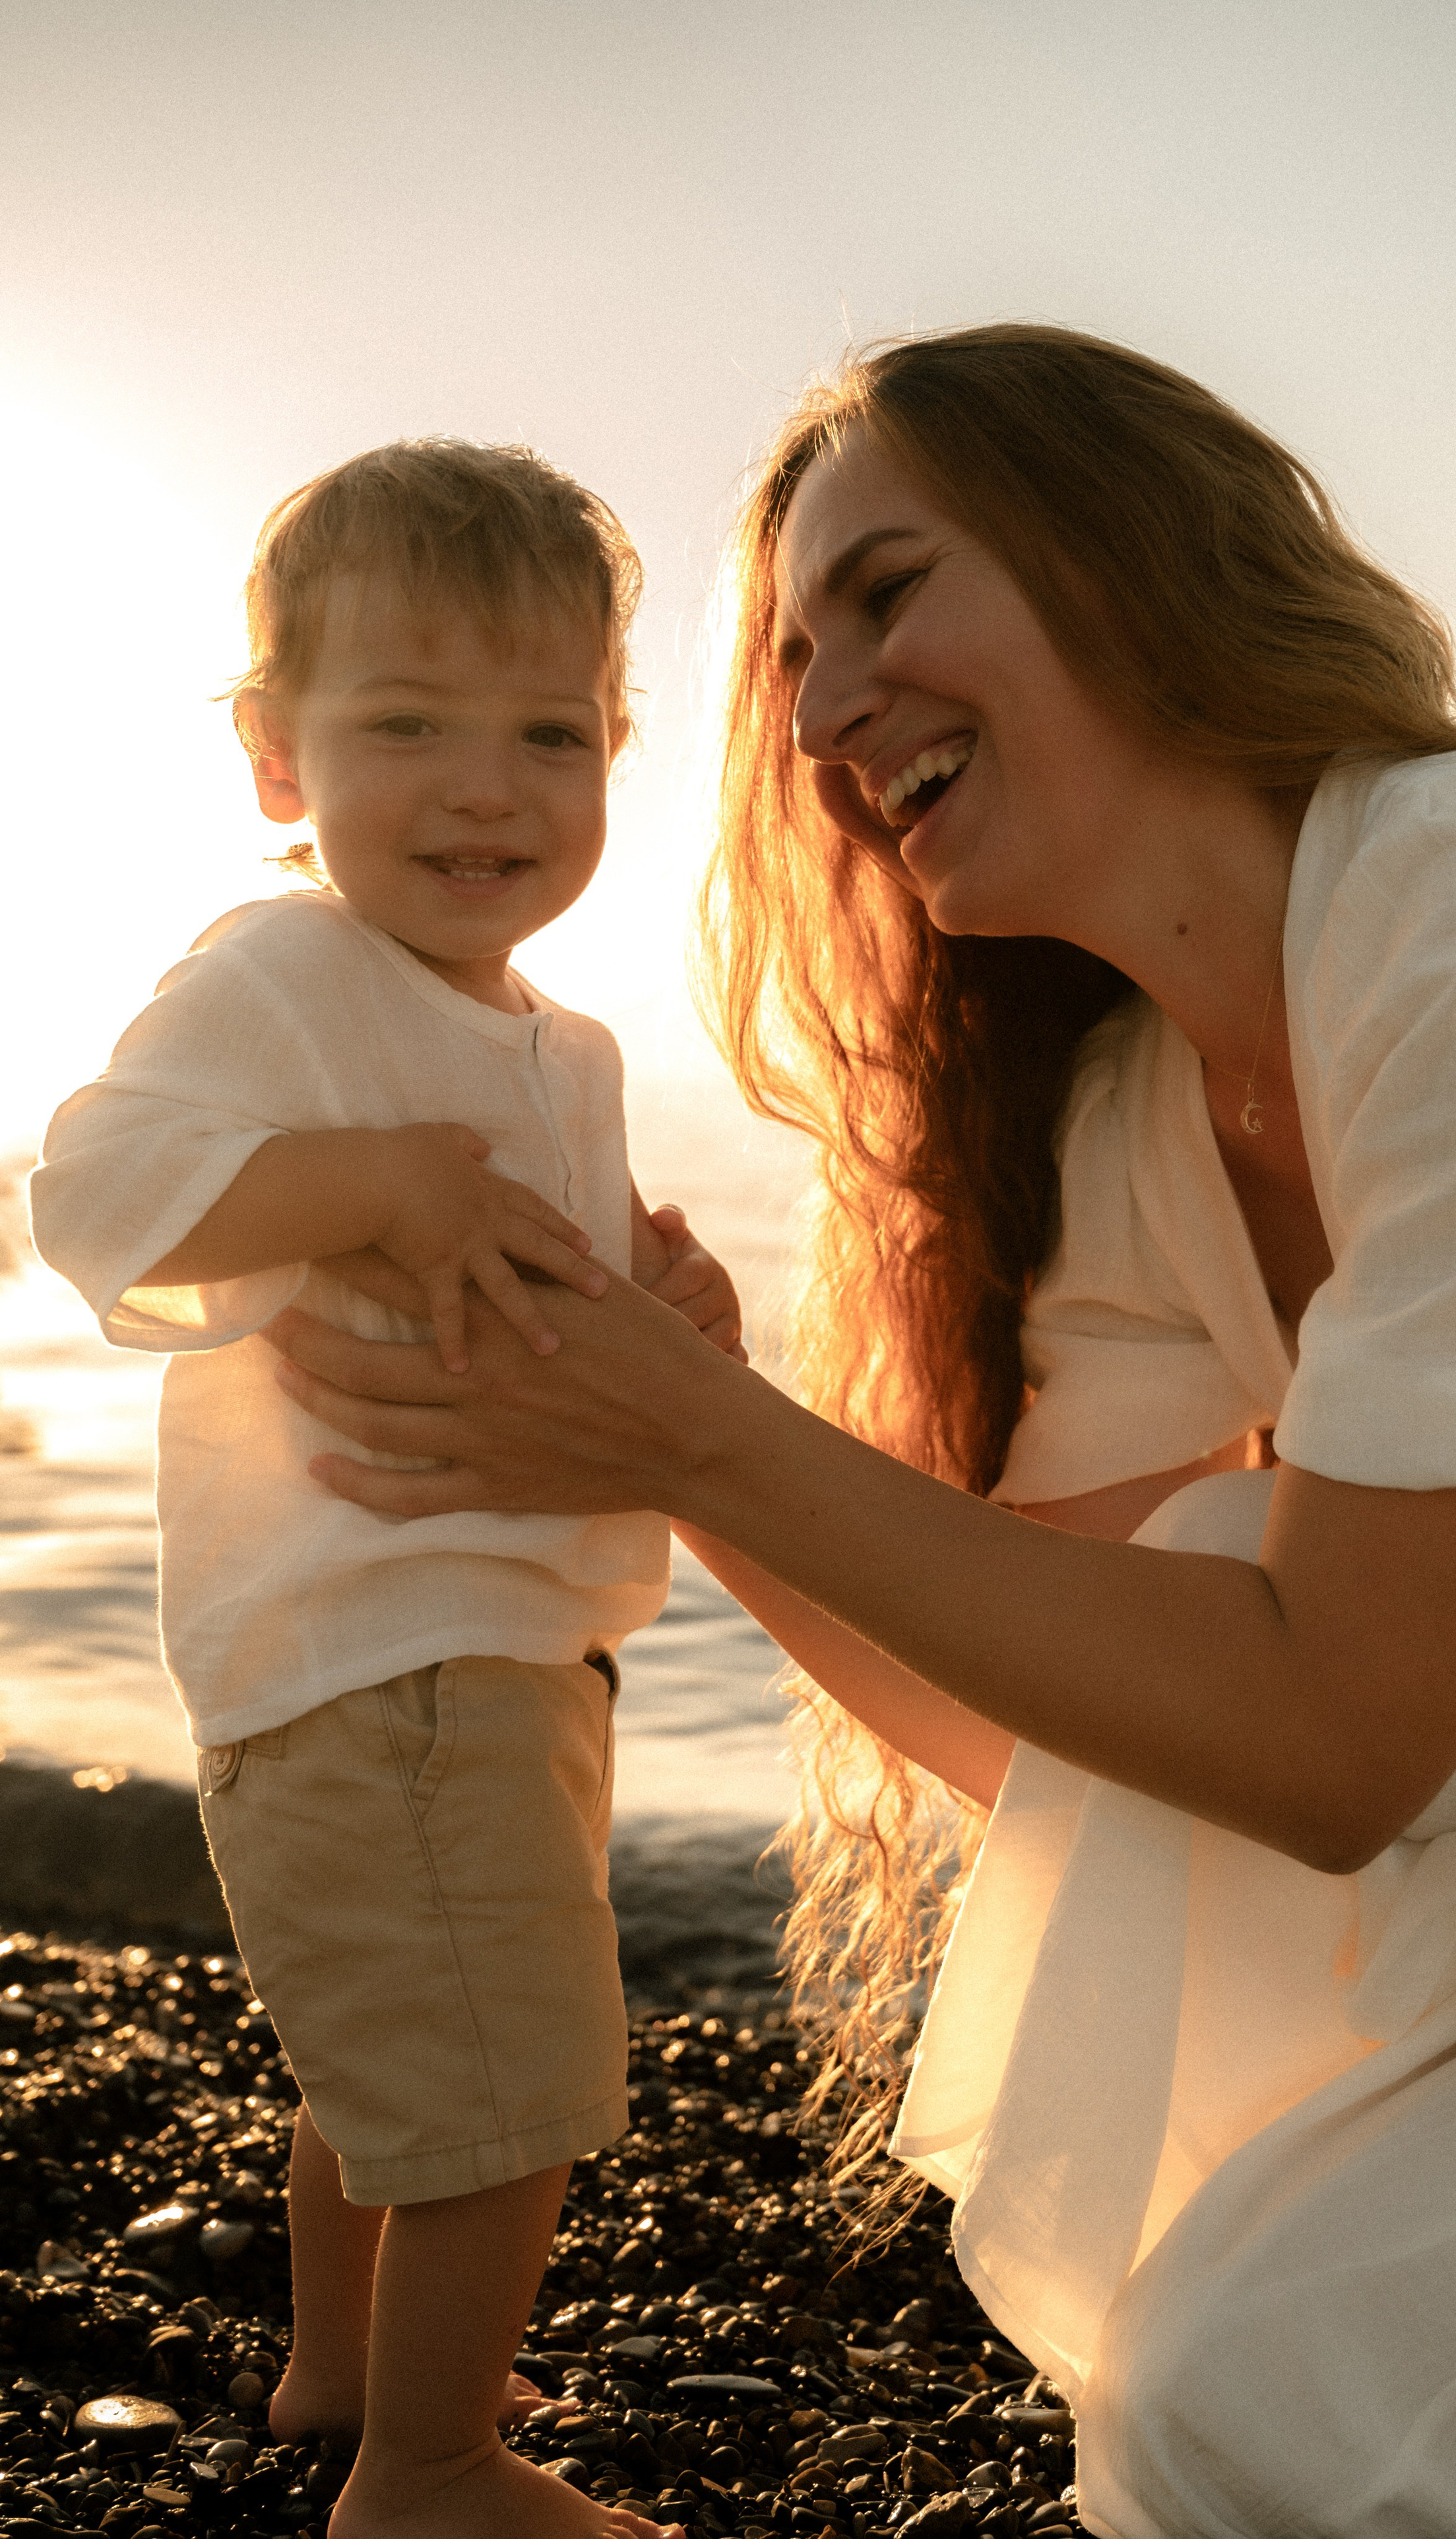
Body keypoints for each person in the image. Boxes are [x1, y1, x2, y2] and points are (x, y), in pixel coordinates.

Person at [261, 333, 1456, 2538]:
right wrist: (659, 1438)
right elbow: (1060, 1730)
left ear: (1129, 559)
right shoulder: (1146, 1116)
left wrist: (701, 1437)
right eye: (799, 662)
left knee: (1251, 2410)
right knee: (1209, 1602)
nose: (825, 716)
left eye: (892, 594)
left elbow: (1344, 1737)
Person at [30, 439, 742, 2539]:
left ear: (619, 753)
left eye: (549, 732)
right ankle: (430, 2473)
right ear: (277, 755)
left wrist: (668, 1292)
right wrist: (360, 1184)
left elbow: (558, 1300)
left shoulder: (572, 1051)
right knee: (511, 2086)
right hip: (378, 1652)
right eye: (403, 725)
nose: (487, 787)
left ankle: (344, 2376)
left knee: (404, 2056)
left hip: (517, 1646)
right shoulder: (281, 979)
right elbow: (92, 1197)